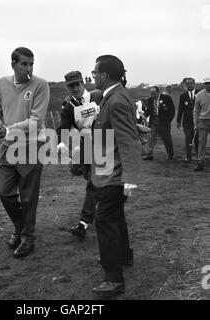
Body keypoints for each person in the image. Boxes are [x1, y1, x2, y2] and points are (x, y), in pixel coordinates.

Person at [0, 47, 50, 258]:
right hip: (8, 145)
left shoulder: (40, 85)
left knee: (28, 195)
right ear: (13, 64)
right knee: (4, 192)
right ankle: (21, 226)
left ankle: (27, 237)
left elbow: (36, 121)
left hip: (32, 146)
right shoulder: (2, 83)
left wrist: (8, 129)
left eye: (31, 64)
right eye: (24, 63)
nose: (29, 68)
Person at [90, 55, 141, 297]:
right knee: (116, 217)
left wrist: (129, 177)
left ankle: (113, 279)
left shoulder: (116, 100)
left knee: (104, 221)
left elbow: (128, 141)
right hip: (109, 170)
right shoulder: (114, 96)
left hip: (114, 174)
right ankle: (124, 256)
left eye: (95, 70)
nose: (92, 73)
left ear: (105, 75)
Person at [56, 70, 102, 239]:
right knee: (85, 174)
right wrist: (61, 141)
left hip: (106, 141)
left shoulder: (98, 96)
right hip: (87, 143)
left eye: (77, 84)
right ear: (68, 88)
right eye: (71, 86)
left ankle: (84, 222)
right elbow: (64, 126)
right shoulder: (69, 107)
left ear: (83, 83)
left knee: (93, 181)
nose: (75, 88)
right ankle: (103, 201)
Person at [142, 86, 175, 160]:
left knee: (166, 138)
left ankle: (170, 154)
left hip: (163, 122)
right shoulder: (150, 100)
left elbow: (172, 111)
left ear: (158, 92)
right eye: (151, 94)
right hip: (153, 121)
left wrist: (167, 121)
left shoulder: (167, 98)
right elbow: (148, 111)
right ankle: (149, 154)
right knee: (151, 138)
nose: (153, 96)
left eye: (154, 94)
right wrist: (144, 116)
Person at [177, 78, 199, 162]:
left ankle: (198, 156)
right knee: (188, 139)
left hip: (198, 122)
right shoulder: (183, 96)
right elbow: (180, 109)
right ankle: (188, 156)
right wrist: (178, 121)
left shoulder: (200, 93)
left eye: (191, 83)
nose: (189, 85)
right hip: (187, 122)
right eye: (188, 84)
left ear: (194, 84)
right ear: (186, 85)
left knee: (197, 139)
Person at [193, 77, 210, 171]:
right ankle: (200, 161)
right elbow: (196, 111)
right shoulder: (199, 95)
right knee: (201, 143)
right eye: (207, 83)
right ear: (204, 84)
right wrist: (195, 124)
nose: (208, 85)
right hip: (203, 121)